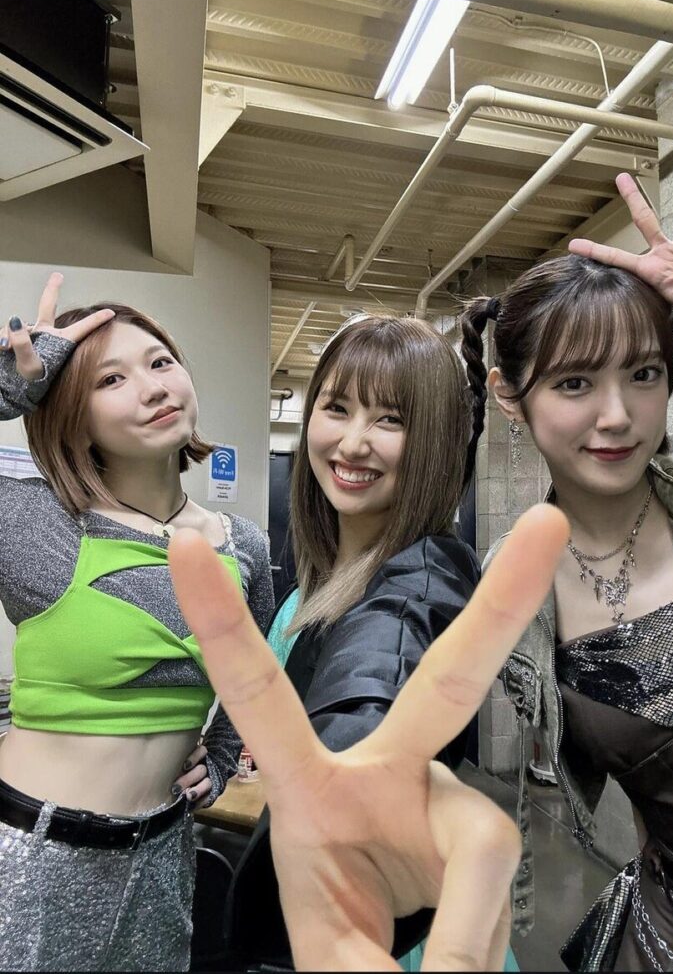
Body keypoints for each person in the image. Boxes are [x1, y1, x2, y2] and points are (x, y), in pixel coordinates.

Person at [460, 173, 673, 971]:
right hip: (667, 938)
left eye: (643, 374)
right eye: (575, 382)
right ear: (510, 395)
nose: (617, 415)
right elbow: (646, 777)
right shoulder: (513, 586)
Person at [224, 315, 517, 969]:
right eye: (337, 408)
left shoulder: (421, 584)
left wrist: (343, 793)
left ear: (432, 443)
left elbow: (378, 679)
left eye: (390, 419)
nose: (353, 443)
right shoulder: (312, 590)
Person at [0, 274, 273, 972]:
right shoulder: (39, 522)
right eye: (111, 379)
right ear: (71, 411)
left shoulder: (243, 545)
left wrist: (220, 755)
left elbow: (256, 678)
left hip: (162, 858)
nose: (153, 388)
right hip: (30, 858)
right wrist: (9, 390)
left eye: (160, 362)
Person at [168, 504, 569, 972]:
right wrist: (222, 758)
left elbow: (391, 639)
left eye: (393, 428)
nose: (355, 457)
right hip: (300, 881)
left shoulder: (426, 574)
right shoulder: (301, 596)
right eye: (335, 423)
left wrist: (359, 744)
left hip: (387, 891)